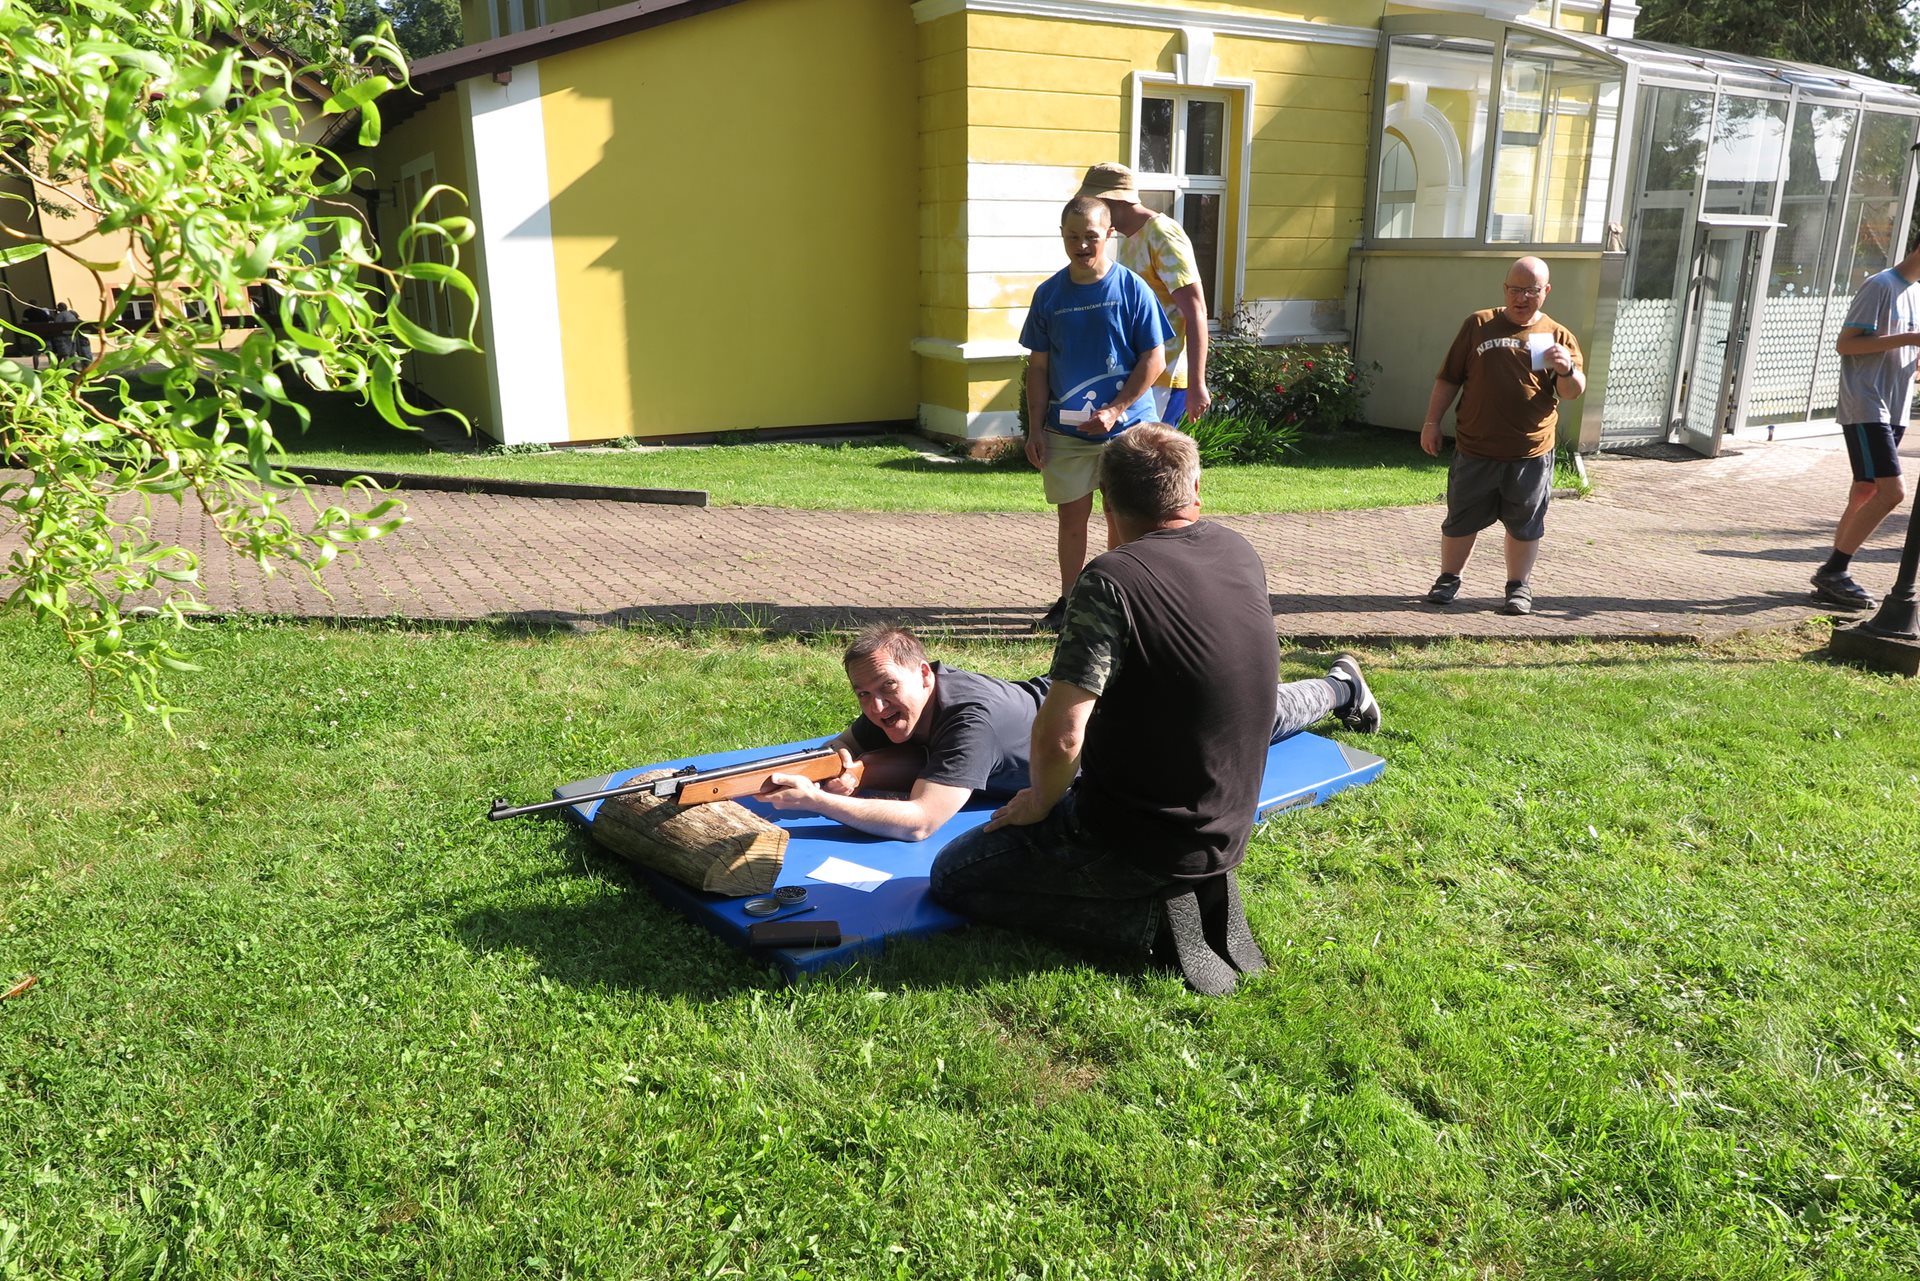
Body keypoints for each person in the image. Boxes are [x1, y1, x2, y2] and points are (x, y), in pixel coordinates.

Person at [929, 426, 1307, 995]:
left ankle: (1148, 921)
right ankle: (1188, 891)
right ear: (1195, 489)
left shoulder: (1111, 581)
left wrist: (1039, 802)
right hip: (1228, 826)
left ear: (1106, 500)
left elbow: (1063, 733)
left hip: (1137, 837)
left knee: (954, 874)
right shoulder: (1238, 550)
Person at [762, 625, 1379, 845]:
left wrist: (818, 801)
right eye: (863, 695)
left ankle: (1341, 687)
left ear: (924, 673)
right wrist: (839, 761)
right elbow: (847, 744)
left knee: (1251, 717)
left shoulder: (968, 719)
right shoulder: (904, 703)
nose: (875, 707)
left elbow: (922, 822)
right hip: (1068, 702)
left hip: (1127, 733)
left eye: (886, 688)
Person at [1021, 194, 1170, 632]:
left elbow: (1154, 359)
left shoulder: (1132, 289)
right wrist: (1035, 429)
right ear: (1062, 236)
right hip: (1066, 433)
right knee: (1071, 520)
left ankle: (1118, 602)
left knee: (1121, 518)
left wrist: (1116, 409)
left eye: (1090, 236)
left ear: (1110, 234)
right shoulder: (1049, 295)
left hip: (1127, 429)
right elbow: (1039, 367)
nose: (1081, 245)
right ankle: (1071, 604)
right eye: (1072, 237)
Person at [1419, 256, 1584, 617]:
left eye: (1531, 291)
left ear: (1546, 291)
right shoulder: (1479, 324)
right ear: (1504, 288)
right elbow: (1448, 378)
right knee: (1461, 518)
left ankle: (1518, 588)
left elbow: (1572, 391)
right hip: (1475, 447)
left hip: (1530, 451)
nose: (1521, 298)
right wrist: (1432, 423)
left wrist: (1566, 368)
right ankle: (1448, 579)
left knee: (1525, 524)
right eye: (1515, 289)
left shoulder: (1555, 336)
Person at [1810, 241, 1920, 610]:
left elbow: (1904, 352)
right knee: (1892, 493)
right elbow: (1846, 345)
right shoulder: (1880, 286)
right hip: (1868, 404)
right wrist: (1911, 339)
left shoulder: (1916, 293)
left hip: (1895, 407)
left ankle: (1832, 576)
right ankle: (1834, 571)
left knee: (1865, 491)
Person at [1077, 162, 1212, 426]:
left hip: (1164, 378)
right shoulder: (1130, 238)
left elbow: (1196, 310)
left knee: (1151, 452)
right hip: (1140, 376)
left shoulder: (1162, 233)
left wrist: (1197, 384)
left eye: (1094, 203)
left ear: (1113, 200)